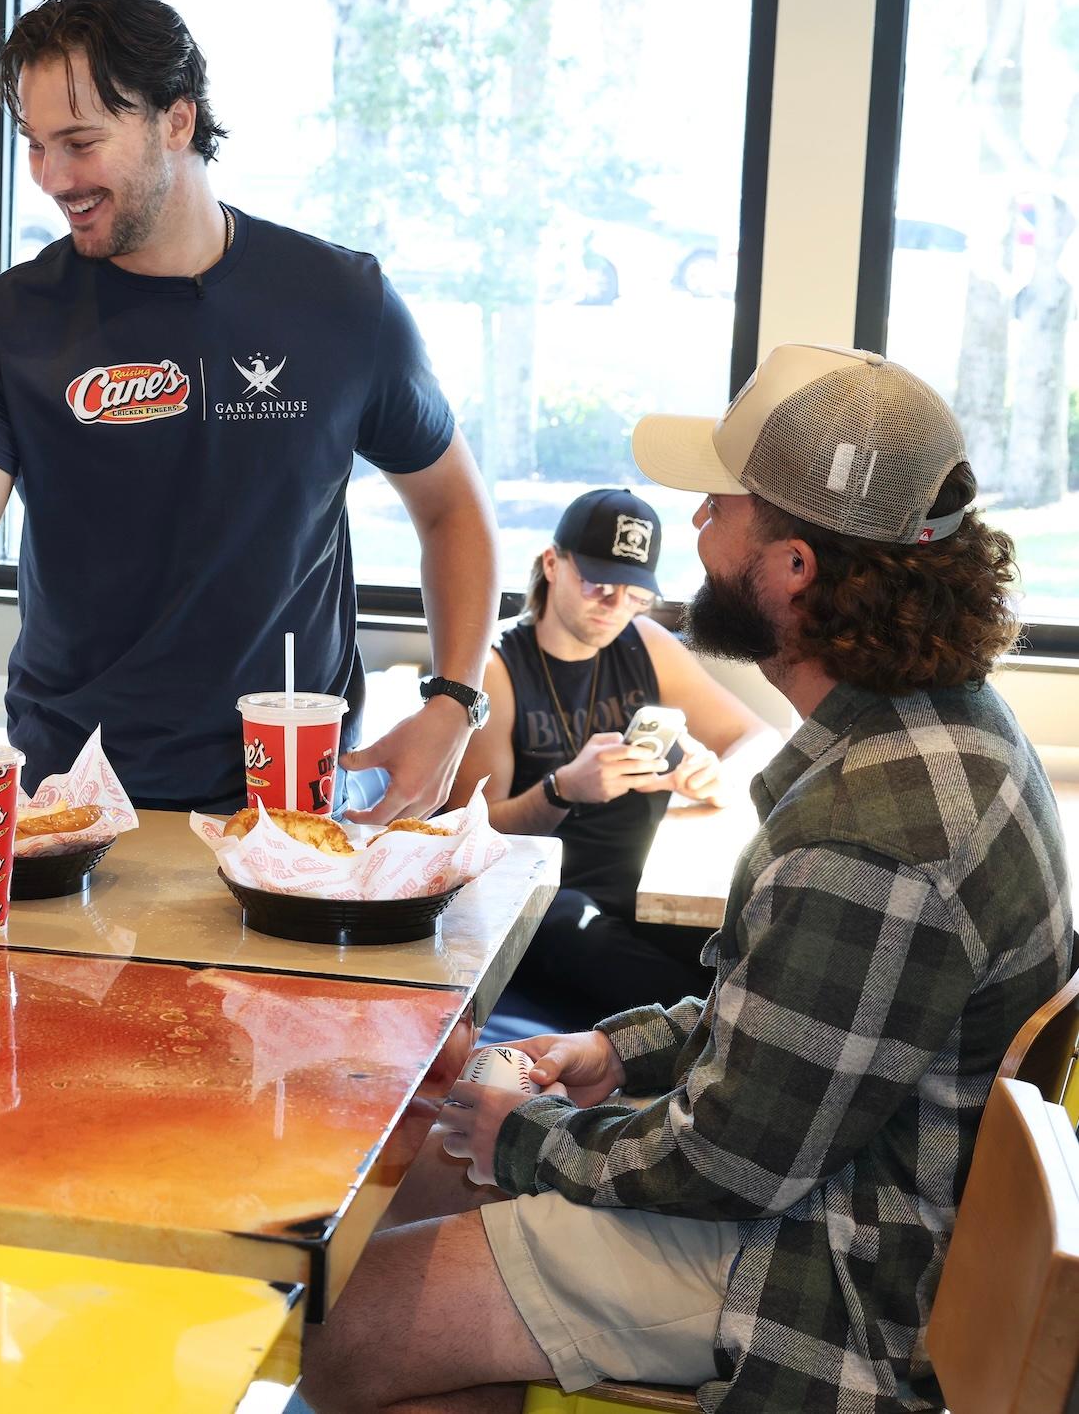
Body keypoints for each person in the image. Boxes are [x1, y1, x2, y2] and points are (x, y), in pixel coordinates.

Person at [301, 345, 1076, 1414]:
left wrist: (529, 1139)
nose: (695, 532)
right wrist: (614, 1047)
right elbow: (785, 1031)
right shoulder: (948, 725)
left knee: (357, 1324)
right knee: (435, 1155)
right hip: (841, 1180)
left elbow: (732, 1164)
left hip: (832, 1263)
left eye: (719, 506)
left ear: (793, 566)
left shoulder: (871, 835)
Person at [0, 0, 500, 819]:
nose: (51, 178)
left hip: (294, 797)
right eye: (35, 146)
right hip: (74, 801)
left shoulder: (340, 302)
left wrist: (454, 703)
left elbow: (453, 512)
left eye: (79, 142)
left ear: (176, 120)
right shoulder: (5, 325)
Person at [447, 487, 774, 1025]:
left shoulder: (644, 642)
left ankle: (724, 1021)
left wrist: (719, 776)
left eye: (635, 595)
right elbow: (470, 836)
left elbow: (757, 737)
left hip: (644, 890)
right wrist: (561, 790)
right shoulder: (498, 671)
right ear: (552, 564)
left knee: (746, 935)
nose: (615, 608)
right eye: (599, 586)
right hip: (551, 897)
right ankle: (727, 1027)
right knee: (569, 927)